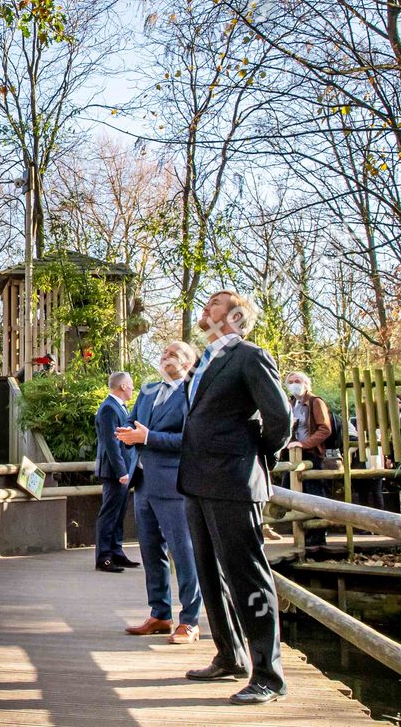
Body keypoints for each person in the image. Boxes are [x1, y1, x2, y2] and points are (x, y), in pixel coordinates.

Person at [180, 290, 293, 705]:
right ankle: (230, 655)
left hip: (233, 482)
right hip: (196, 482)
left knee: (248, 576)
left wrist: (254, 456)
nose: (205, 308)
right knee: (209, 573)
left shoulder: (250, 356)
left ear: (235, 316)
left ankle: (269, 675)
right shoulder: (205, 359)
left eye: (215, 303)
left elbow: (279, 417)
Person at [115, 341, 202, 644]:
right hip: (143, 482)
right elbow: (131, 420)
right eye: (164, 352)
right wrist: (127, 433)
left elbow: (190, 440)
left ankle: (190, 621)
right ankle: (160, 614)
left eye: (175, 353)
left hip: (175, 483)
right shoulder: (149, 389)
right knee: (151, 551)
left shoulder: (194, 393)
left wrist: (148, 437)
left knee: (184, 552)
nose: (166, 356)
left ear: (190, 362)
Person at [94, 371, 140, 573]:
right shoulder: (109, 409)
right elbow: (111, 444)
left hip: (123, 470)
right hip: (114, 471)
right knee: (109, 514)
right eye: (130, 385)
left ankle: (117, 552)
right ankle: (103, 557)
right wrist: (122, 471)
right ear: (122, 387)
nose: (132, 388)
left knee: (119, 513)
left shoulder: (119, 407)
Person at [284, 371, 334, 553]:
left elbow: (325, 429)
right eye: (291, 382)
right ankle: (300, 535)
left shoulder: (315, 402)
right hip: (292, 455)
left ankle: (318, 536)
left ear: (306, 384)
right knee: (290, 494)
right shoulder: (291, 403)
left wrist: (305, 444)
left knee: (314, 494)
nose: (294, 384)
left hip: (311, 454)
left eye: (297, 381)